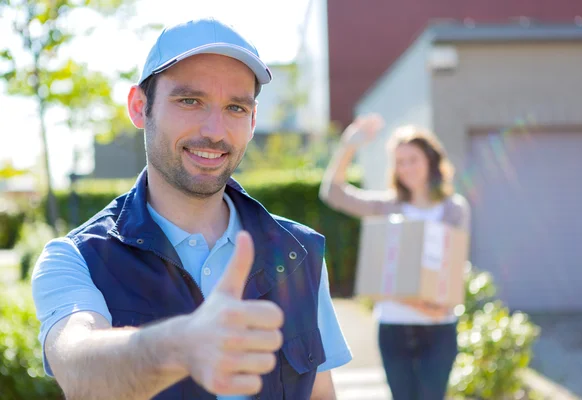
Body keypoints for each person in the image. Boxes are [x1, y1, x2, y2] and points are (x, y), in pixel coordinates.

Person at [31, 18, 352, 400]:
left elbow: (319, 393)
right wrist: (183, 346)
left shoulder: (300, 252)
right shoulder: (75, 258)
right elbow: (82, 373)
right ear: (139, 106)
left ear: (252, 121)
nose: (215, 130)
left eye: (235, 107)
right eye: (190, 101)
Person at [319, 114, 470, 400]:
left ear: (430, 161)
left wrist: (425, 304)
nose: (406, 168)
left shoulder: (454, 209)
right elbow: (332, 193)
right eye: (399, 162)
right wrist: (349, 145)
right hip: (393, 328)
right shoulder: (386, 206)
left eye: (412, 159)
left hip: (438, 330)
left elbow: (453, 273)